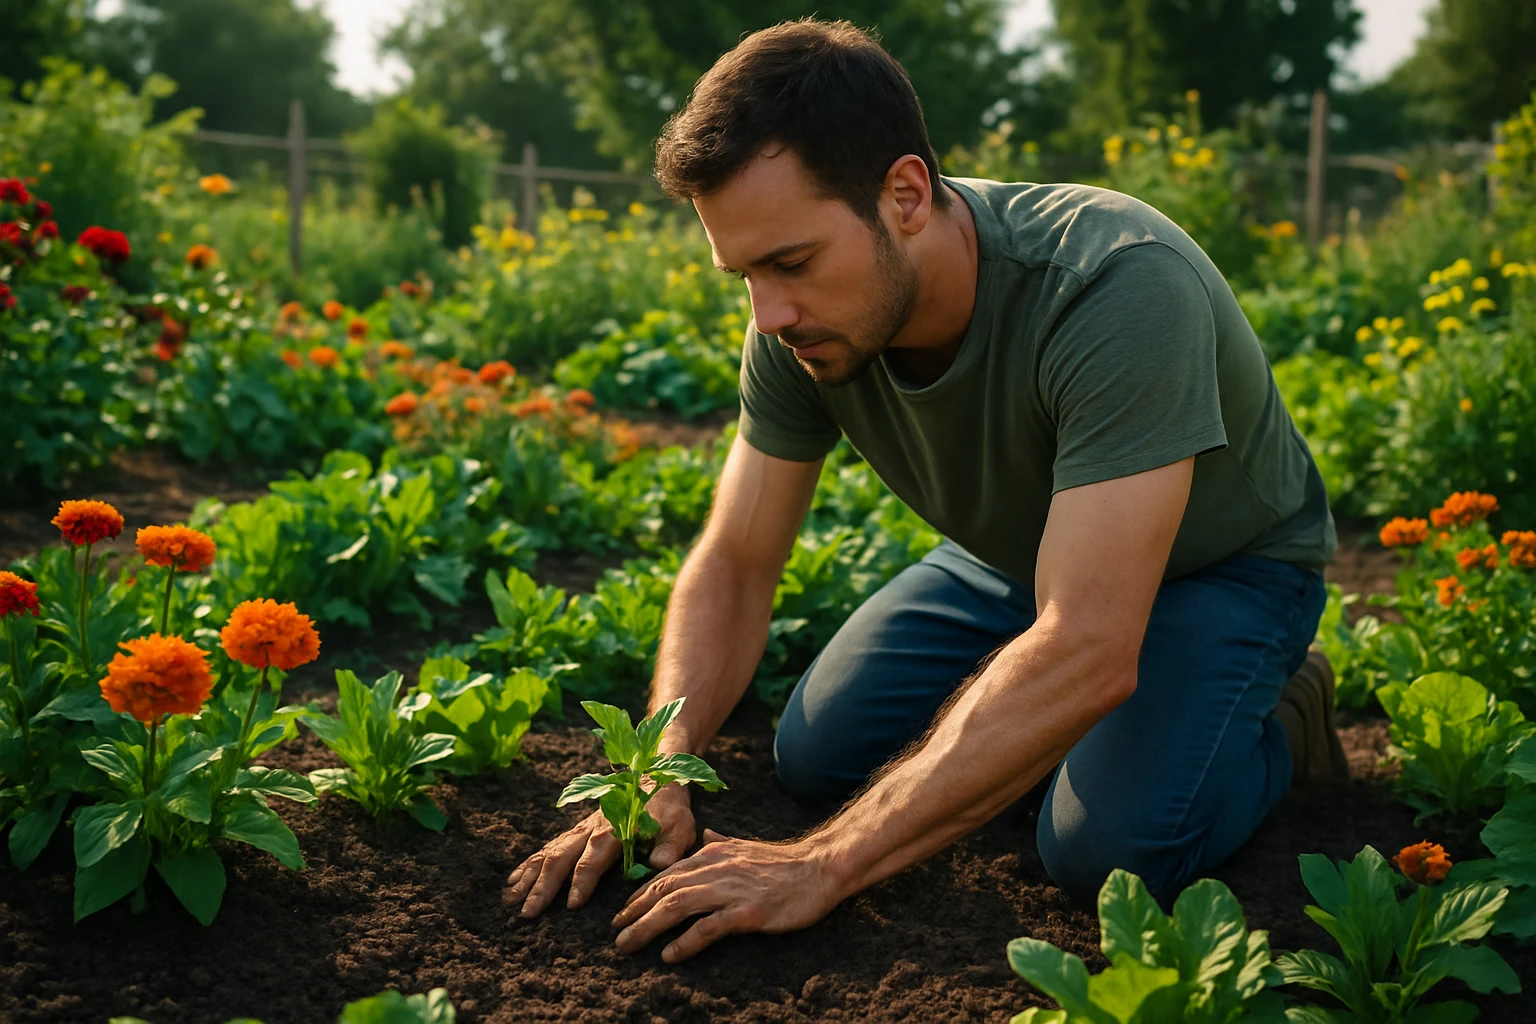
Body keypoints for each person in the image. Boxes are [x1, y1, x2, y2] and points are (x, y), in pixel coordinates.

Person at [504, 17, 1349, 964]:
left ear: (905, 194)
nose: (768, 312)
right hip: (1018, 560)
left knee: (1105, 851)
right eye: (743, 274)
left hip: (1225, 570)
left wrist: (821, 864)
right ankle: (1049, 733)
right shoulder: (801, 322)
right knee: (818, 755)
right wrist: (653, 765)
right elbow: (738, 561)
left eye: (790, 262)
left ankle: (1275, 717)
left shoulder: (1113, 287)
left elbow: (1089, 643)